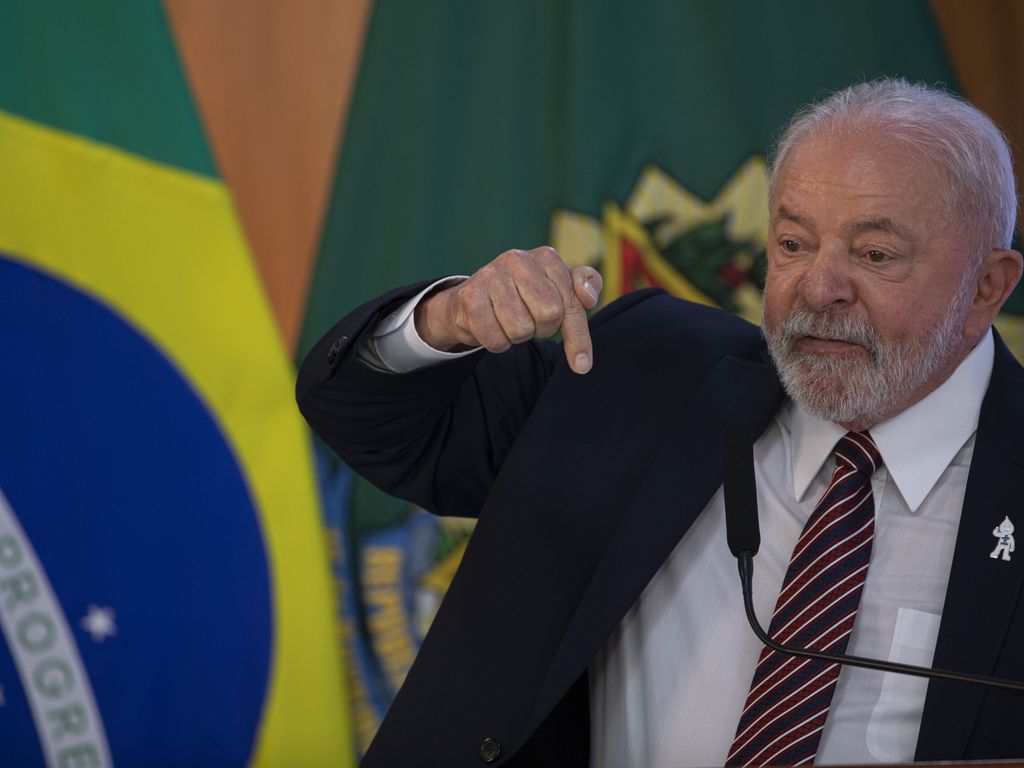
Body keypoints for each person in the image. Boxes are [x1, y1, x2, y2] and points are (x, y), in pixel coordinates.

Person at [297, 79, 1024, 767]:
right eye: (793, 244)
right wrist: (448, 319)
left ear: (987, 287)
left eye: (875, 254)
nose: (819, 289)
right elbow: (368, 415)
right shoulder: (639, 377)